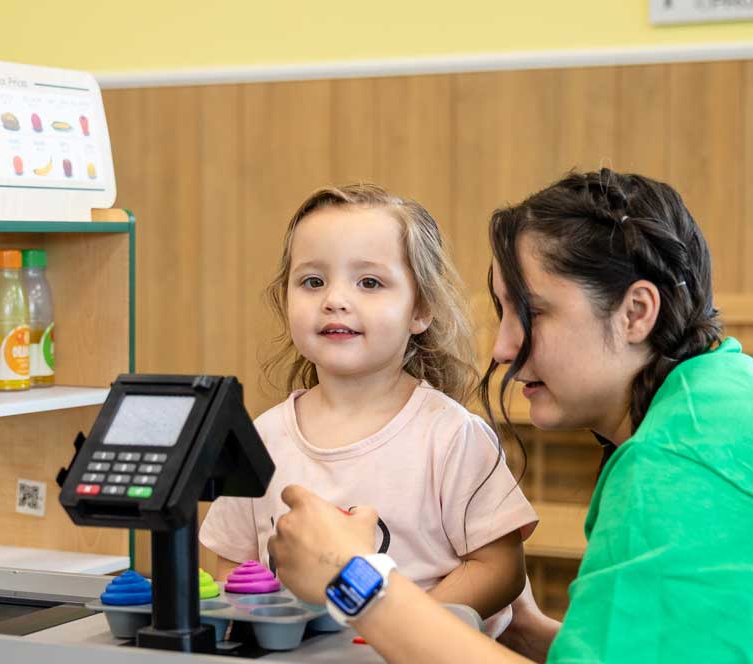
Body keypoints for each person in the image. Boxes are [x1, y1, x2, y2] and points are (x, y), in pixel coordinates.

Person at [268, 170, 753, 664]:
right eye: (503, 312)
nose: (503, 346)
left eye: (530, 313)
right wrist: (527, 633)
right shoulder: (705, 411)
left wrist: (355, 578)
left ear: (636, 312)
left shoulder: (694, 465)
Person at [200, 184, 538, 625]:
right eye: (312, 281)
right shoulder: (259, 437)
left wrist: (400, 630)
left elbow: (500, 570)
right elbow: (231, 564)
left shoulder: (453, 435)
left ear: (420, 309)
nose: (334, 300)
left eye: (370, 282)